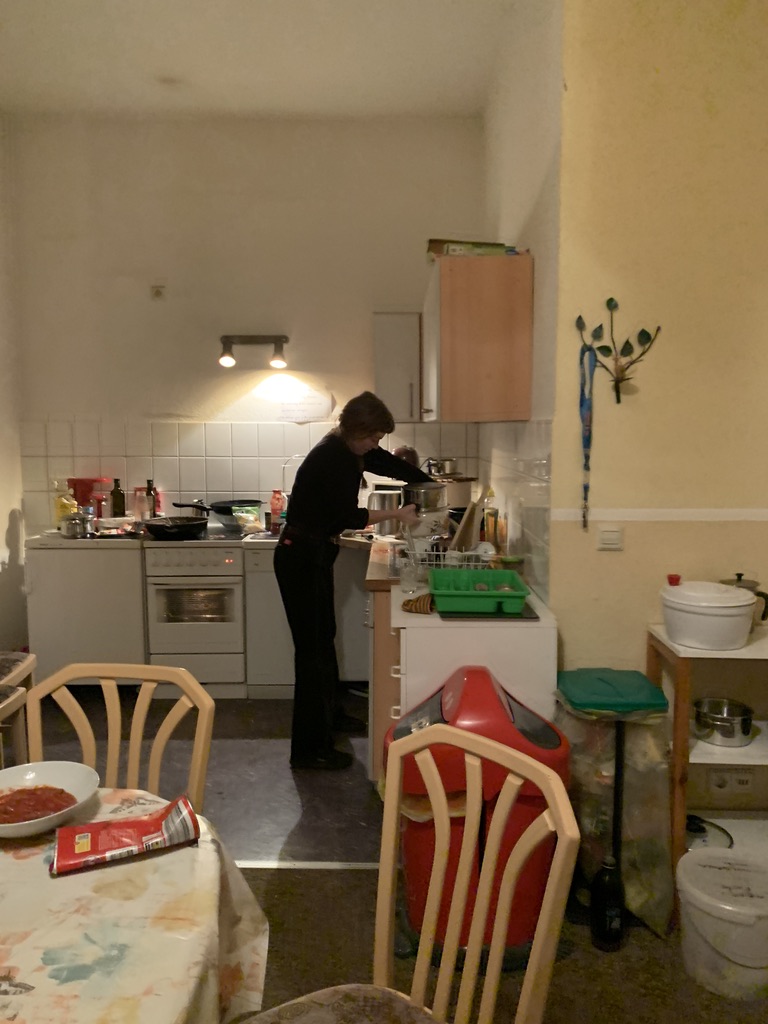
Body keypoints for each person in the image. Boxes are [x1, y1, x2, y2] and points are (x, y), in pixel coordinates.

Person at [274, 391, 433, 770]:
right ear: (356, 429)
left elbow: (385, 462)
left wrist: (426, 482)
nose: (376, 444)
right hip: (301, 557)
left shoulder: (349, 447)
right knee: (312, 653)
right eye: (374, 436)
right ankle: (309, 750)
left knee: (323, 640)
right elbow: (348, 516)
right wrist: (398, 514)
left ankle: (330, 717)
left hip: (311, 553)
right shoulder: (335, 458)